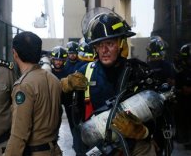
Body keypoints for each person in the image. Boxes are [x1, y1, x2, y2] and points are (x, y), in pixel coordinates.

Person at [61, 11, 159, 155]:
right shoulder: (86, 72)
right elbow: (68, 109)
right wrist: (65, 86)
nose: (104, 50)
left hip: (132, 147)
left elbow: (158, 116)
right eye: (99, 45)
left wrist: (142, 132)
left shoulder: (138, 73)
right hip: (96, 146)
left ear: (121, 44)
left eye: (110, 43)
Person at [4, 31, 62, 156]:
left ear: (15, 53)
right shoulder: (53, 79)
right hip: (54, 150)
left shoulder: (24, 86)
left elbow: (19, 134)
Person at [146, 36, 175, 155]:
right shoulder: (167, 65)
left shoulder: (146, 66)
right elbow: (172, 82)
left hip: (154, 105)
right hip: (162, 104)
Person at [173, 43, 191, 150]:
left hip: (187, 101)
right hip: (183, 102)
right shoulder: (181, 70)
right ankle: (183, 137)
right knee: (181, 117)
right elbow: (180, 86)